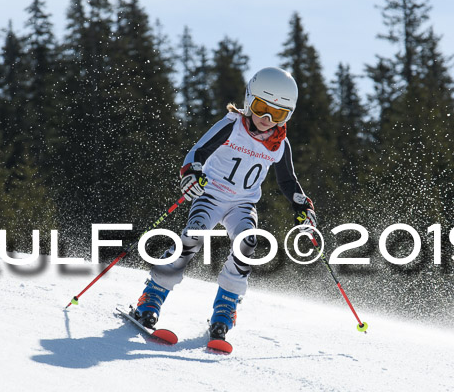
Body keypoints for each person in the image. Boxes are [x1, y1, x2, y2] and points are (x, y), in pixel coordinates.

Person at [132, 67, 317, 341]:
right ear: (248, 101)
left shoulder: (280, 145)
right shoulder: (232, 125)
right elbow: (198, 152)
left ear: (287, 115)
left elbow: (288, 182)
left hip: (242, 204)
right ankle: (151, 298)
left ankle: (225, 310)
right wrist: (191, 173)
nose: (267, 119)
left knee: (248, 244)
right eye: (261, 107)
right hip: (210, 195)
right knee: (193, 237)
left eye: (277, 114)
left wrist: (303, 207)